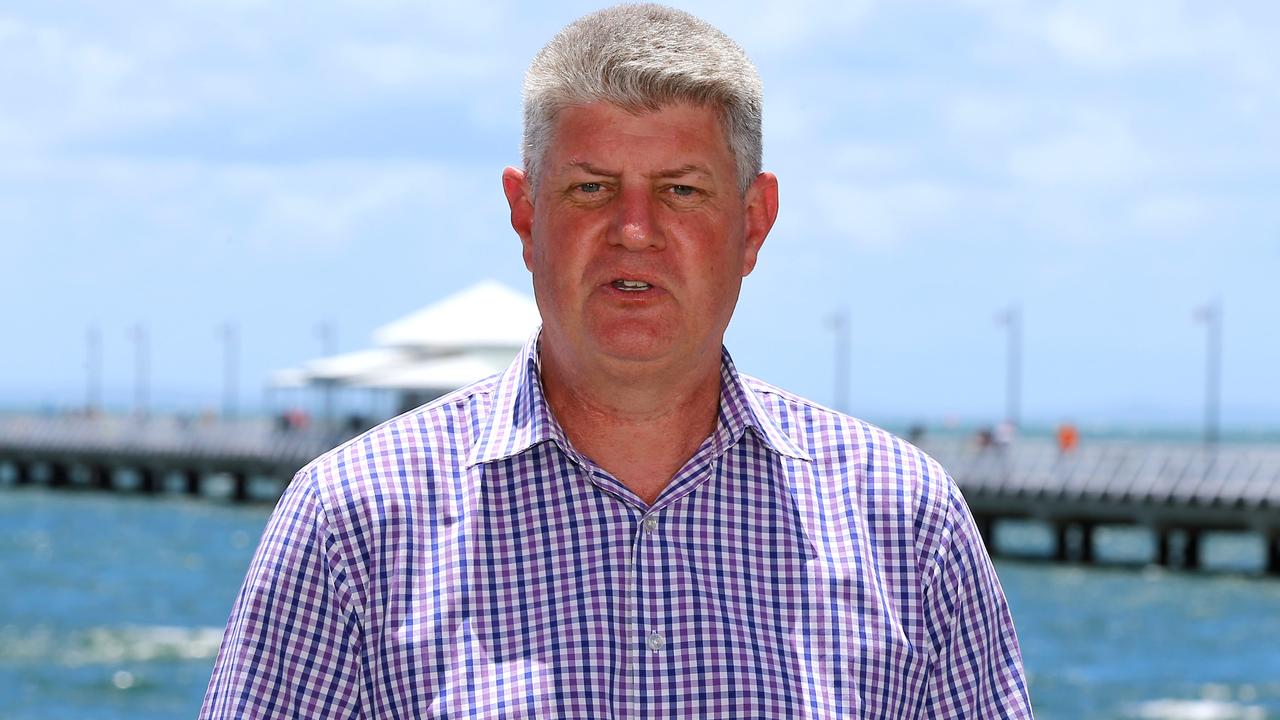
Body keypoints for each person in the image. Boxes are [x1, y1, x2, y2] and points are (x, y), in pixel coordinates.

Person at [200, 5, 1033, 717]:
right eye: (592, 188)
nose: (634, 229)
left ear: (755, 220)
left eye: (681, 189)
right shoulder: (352, 527)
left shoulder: (907, 526)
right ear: (525, 216)